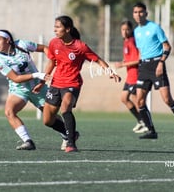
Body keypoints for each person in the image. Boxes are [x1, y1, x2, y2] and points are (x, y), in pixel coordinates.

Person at [42, 15, 121, 153]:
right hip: (56, 83)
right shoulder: (54, 43)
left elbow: (98, 60)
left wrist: (110, 72)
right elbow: (52, 62)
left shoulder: (80, 46)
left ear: (67, 29)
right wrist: (43, 80)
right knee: (47, 121)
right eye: (54, 27)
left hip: (72, 83)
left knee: (66, 108)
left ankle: (71, 144)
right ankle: (71, 133)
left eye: (58, 27)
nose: (55, 30)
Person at [0, 29, 69, 150]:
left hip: (38, 87)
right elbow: (16, 78)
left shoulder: (22, 44)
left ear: (7, 40)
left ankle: (67, 135)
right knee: (9, 112)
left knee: (50, 118)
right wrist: (37, 75)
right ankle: (28, 141)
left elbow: (43, 48)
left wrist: (54, 58)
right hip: (19, 89)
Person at [132, 2, 174, 140]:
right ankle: (151, 131)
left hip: (157, 64)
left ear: (146, 13)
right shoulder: (136, 31)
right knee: (140, 102)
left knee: (167, 100)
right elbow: (140, 52)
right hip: (144, 67)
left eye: (141, 12)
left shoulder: (154, 28)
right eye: (135, 12)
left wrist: (161, 62)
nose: (138, 14)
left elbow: (167, 46)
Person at [114, 20, 148, 134]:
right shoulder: (126, 42)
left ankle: (146, 122)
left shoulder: (133, 41)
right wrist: (121, 63)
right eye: (122, 29)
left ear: (131, 30)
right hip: (130, 76)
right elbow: (128, 59)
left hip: (136, 75)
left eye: (127, 29)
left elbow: (138, 60)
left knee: (136, 100)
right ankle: (140, 121)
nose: (124, 31)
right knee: (124, 98)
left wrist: (122, 64)